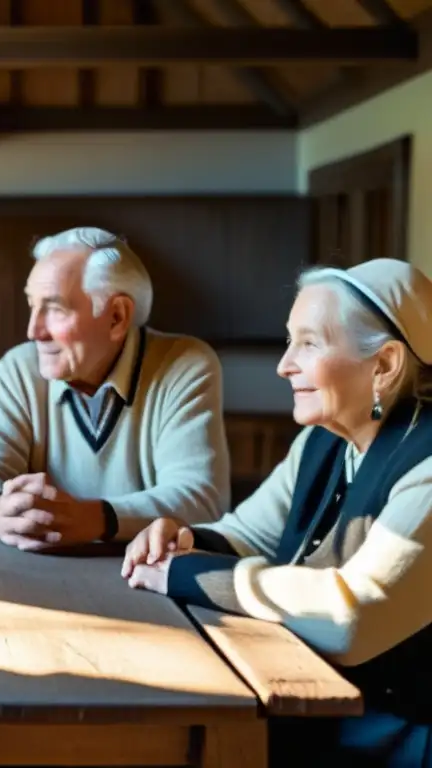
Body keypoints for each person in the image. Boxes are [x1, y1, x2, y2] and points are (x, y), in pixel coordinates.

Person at [123, 258, 432, 766]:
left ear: (385, 364)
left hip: (400, 739)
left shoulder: (426, 457)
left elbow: (351, 617)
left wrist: (186, 575)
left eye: (308, 343)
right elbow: (247, 534)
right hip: (316, 711)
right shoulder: (322, 440)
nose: (284, 364)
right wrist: (182, 540)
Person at [0, 226, 229, 549]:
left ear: (117, 317)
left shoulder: (185, 365)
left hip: (146, 578)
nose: (34, 330)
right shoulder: (19, 368)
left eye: (55, 309)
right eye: (32, 305)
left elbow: (202, 500)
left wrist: (91, 519)